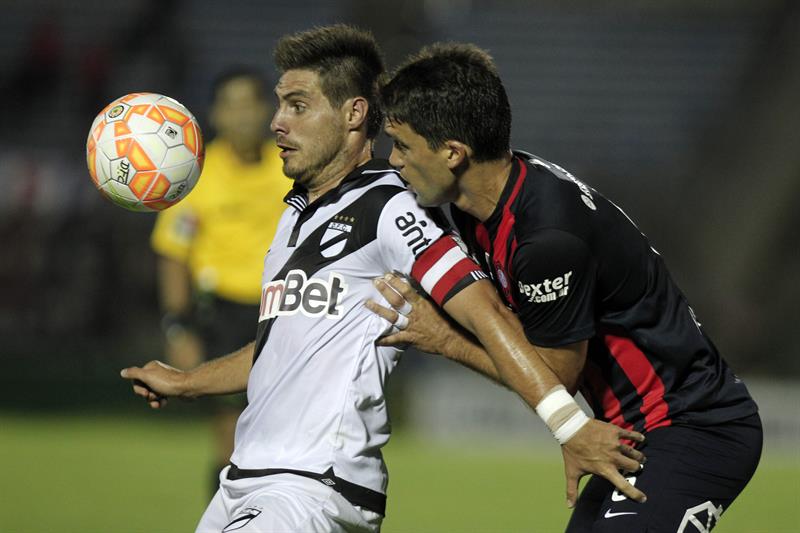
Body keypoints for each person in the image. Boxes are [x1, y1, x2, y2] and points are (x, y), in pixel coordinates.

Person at [122, 26, 644, 532]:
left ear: (354, 115)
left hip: (313, 486)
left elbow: (485, 312)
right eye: (280, 104)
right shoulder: (295, 214)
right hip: (248, 480)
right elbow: (279, 350)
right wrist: (187, 383)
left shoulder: (391, 207)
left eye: (298, 106)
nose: (277, 122)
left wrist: (567, 425)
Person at [370, 43, 762, 532]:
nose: (394, 161)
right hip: (629, 432)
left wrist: (447, 341)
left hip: (696, 429)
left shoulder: (546, 238)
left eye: (403, 146)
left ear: (453, 152)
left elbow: (556, 377)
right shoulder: (487, 200)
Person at [150, 68, 287, 494]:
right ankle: (228, 514)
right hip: (223, 311)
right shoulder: (197, 174)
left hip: (282, 309)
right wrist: (179, 326)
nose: (243, 115)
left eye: (250, 104)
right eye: (232, 105)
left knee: (285, 428)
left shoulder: (290, 167)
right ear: (216, 114)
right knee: (230, 435)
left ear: (267, 110)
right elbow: (174, 253)